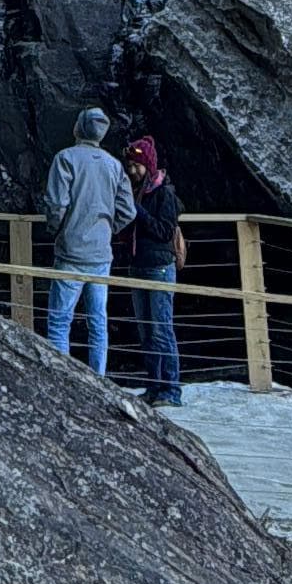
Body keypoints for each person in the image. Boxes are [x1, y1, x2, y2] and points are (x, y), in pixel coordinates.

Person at [43, 108, 136, 376]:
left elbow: (56, 204)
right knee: (98, 323)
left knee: (60, 322)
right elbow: (128, 210)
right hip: (101, 257)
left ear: (79, 128)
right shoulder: (114, 165)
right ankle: (100, 380)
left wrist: (57, 229)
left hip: (70, 253)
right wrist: (108, 229)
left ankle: (61, 378)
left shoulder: (66, 159)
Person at [120, 134, 186, 407]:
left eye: (137, 166)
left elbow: (163, 230)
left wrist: (138, 212)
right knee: (146, 331)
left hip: (159, 267)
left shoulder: (163, 193)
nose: (133, 171)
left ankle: (171, 389)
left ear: (149, 165)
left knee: (161, 330)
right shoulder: (136, 191)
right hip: (139, 266)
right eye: (131, 166)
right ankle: (154, 386)